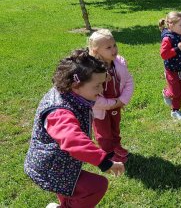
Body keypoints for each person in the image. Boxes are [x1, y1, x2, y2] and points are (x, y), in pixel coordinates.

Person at [24, 49, 125, 208]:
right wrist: (104, 162)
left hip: (59, 163)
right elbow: (72, 139)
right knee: (96, 186)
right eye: (97, 85)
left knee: (71, 189)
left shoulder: (70, 93)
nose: (101, 90)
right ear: (75, 85)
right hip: (50, 167)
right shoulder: (59, 112)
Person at [88, 29, 134, 163]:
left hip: (116, 104)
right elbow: (92, 97)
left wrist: (122, 100)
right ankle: (107, 153)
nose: (114, 49)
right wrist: (112, 104)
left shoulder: (118, 63)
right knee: (104, 133)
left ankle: (116, 145)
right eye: (108, 47)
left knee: (115, 126)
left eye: (114, 45)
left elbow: (129, 81)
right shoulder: (91, 71)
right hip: (100, 110)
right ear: (96, 51)